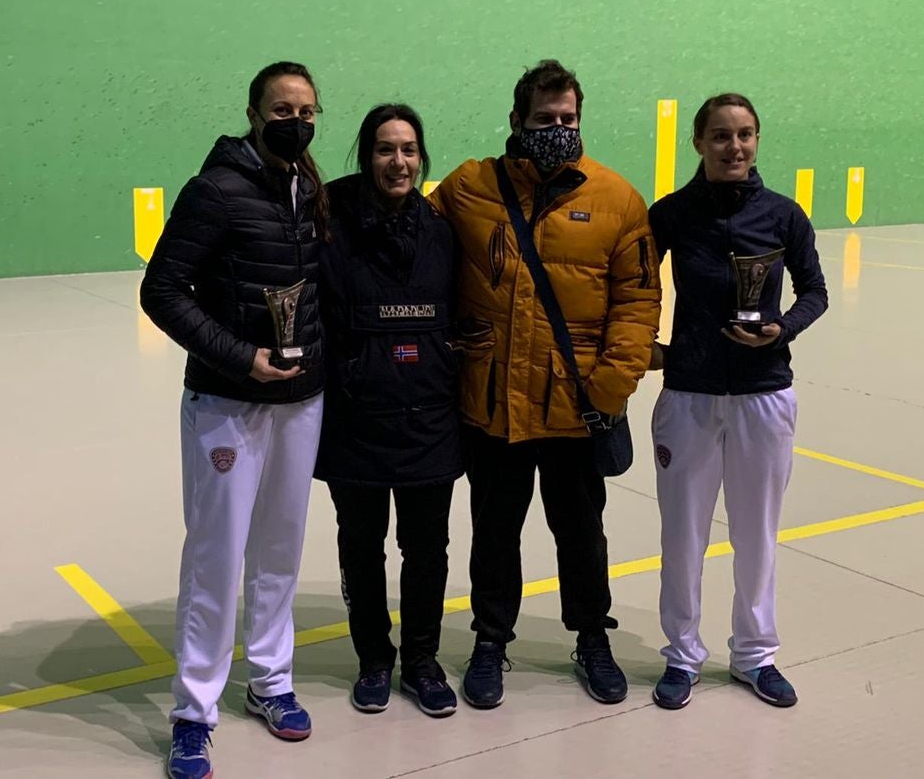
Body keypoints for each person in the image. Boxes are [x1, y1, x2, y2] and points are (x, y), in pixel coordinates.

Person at [429, 60, 661, 709]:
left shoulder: (617, 199)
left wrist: (610, 390)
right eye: (543, 120)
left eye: (568, 119)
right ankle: (489, 641)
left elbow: (639, 304)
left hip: (579, 412)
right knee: (494, 533)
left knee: (582, 534)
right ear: (515, 122)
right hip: (494, 404)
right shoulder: (468, 187)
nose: (557, 129)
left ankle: (593, 637)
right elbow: (409, 245)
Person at [140, 62, 328, 779]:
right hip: (225, 403)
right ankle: (193, 711)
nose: (297, 121)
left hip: (300, 404)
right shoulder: (214, 189)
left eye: (309, 110)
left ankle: (272, 682)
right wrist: (238, 356)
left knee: (280, 550)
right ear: (253, 112)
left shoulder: (307, 187)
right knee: (217, 557)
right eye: (283, 109)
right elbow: (161, 289)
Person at [647, 93, 828, 711]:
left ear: (757, 141)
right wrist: (650, 348)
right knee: (683, 536)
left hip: (764, 395)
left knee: (757, 535)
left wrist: (782, 328)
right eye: (720, 136)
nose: (734, 146)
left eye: (745, 135)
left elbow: (815, 291)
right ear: (697, 143)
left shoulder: (784, 215)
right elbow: (633, 285)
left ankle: (755, 654)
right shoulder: (670, 214)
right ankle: (681, 656)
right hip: (689, 398)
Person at [315, 103, 464, 717]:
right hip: (356, 421)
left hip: (430, 418)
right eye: (384, 149)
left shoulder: (443, 230)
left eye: (407, 149)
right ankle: (374, 660)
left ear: (421, 157)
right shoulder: (329, 222)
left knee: (428, 549)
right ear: (366, 155)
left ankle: (423, 663)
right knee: (362, 546)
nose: (397, 161)